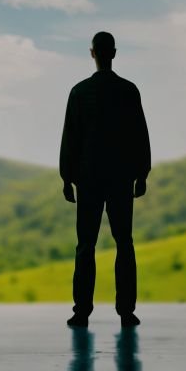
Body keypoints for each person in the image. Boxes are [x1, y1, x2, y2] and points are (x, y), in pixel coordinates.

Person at [59, 31, 150, 329]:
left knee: (85, 244)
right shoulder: (128, 90)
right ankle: (126, 311)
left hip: (88, 178)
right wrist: (141, 173)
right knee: (124, 242)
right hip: (121, 177)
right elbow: (139, 134)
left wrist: (66, 178)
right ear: (113, 53)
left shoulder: (79, 92)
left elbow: (70, 138)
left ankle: (81, 311)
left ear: (92, 53)